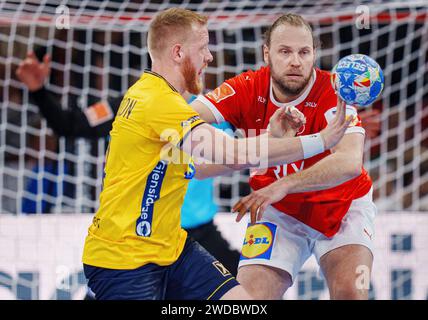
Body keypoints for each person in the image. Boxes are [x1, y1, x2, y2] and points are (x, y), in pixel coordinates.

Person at [80, 8, 350, 300]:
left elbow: (200, 164)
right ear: (179, 52)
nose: (209, 57)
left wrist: (270, 137)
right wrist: (320, 141)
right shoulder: (157, 102)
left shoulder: (158, 97)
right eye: (203, 48)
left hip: (172, 250)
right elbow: (232, 154)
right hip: (124, 260)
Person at [190, 13, 377, 300]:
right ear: (267, 53)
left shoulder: (335, 90)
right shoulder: (246, 88)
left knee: (351, 291)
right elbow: (184, 119)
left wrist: (283, 185)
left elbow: (350, 163)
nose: (295, 61)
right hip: (279, 213)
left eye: (304, 52)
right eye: (285, 51)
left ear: (314, 53)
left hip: (343, 207)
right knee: (248, 300)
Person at [16, 51, 241, 275]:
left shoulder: (213, 112)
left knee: (247, 285)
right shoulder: (127, 107)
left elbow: (242, 155)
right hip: (134, 237)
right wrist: (39, 92)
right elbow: (69, 125)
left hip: (196, 233)